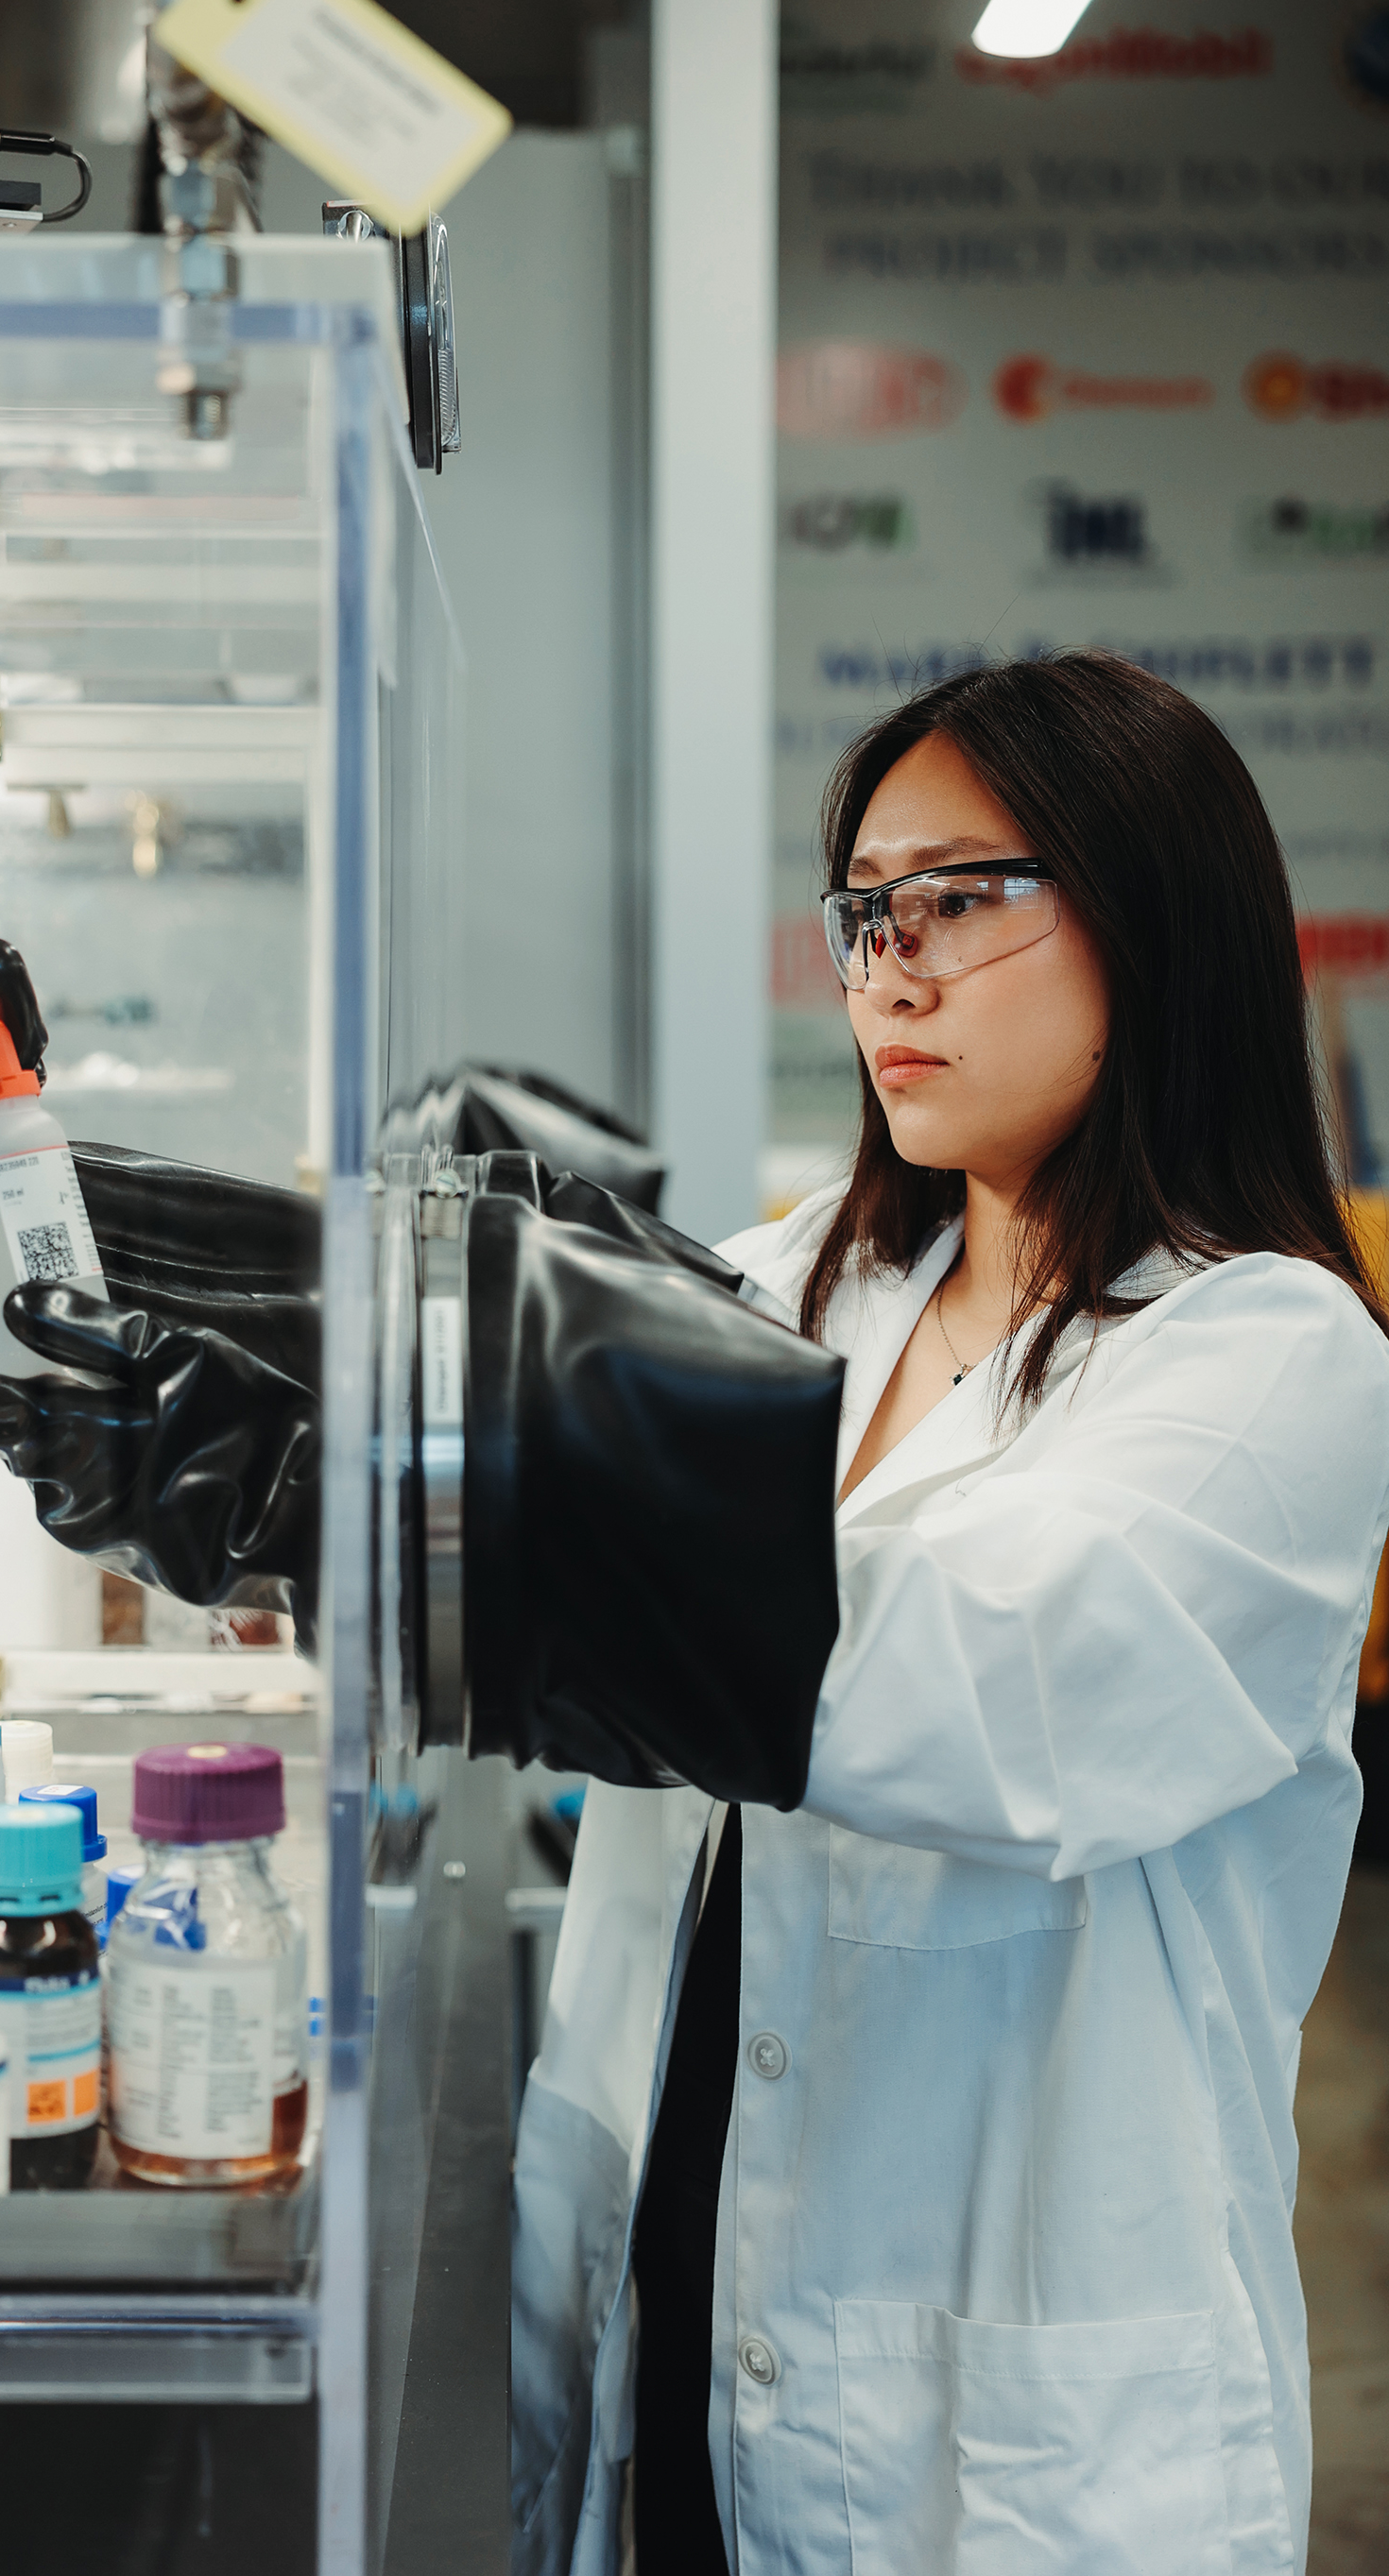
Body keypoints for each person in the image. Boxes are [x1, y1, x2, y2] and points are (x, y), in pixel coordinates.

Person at [513, 652, 1389, 2576]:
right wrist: (74, 1246)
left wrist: (514, 1504)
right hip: (684, 2278)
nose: (886, 964)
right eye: (861, 908)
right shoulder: (785, 1289)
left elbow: (979, 1684)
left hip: (1008, 2428)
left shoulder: (1269, 1355)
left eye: (959, 897)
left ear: (1152, 920)